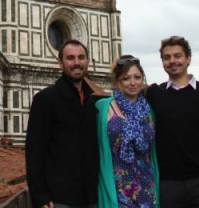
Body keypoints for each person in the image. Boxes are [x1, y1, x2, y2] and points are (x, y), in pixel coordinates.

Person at [145, 36, 199, 208]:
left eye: (177, 56)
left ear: (188, 59)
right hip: (168, 184)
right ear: (162, 62)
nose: (172, 61)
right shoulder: (154, 94)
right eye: (167, 57)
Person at [26, 39, 99, 208]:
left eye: (81, 57)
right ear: (60, 63)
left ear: (87, 61)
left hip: (91, 197)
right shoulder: (45, 100)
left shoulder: (93, 102)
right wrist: (40, 195)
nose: (77, 63)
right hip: (59, 198)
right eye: (70, 58)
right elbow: (34, 151)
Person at [96, 55, 159, 208]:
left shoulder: (149, 110)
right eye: (126, 78)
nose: (132, 83)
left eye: (137, 77)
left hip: (147, 187)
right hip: (118, 188)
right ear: (118, 81)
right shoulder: (103, 108)